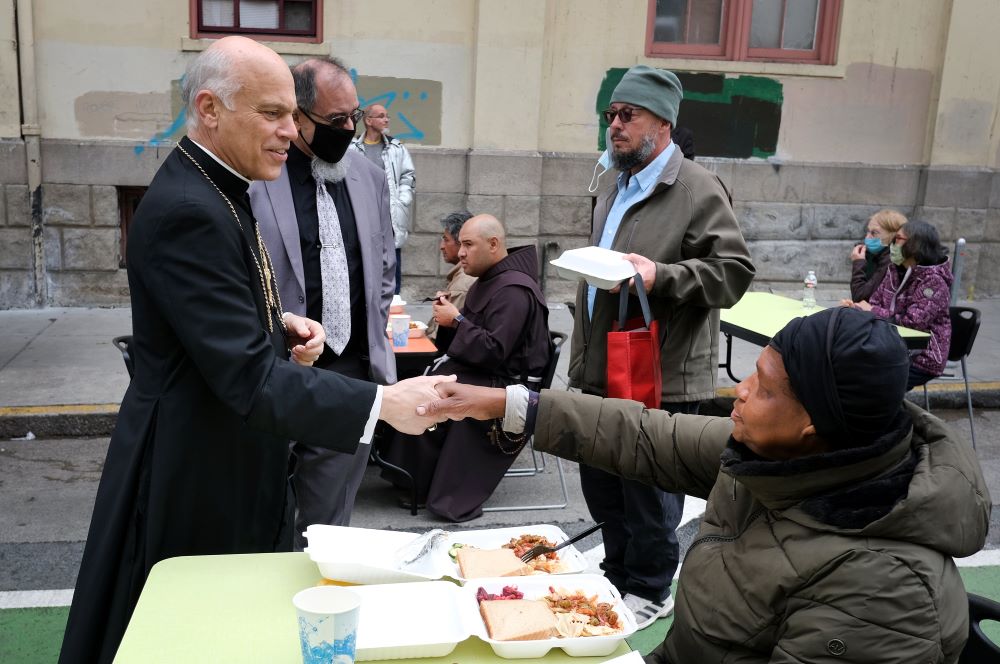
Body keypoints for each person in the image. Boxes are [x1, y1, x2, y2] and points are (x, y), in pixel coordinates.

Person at [58, 37, 449, 664]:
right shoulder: (192, 206)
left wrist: (279, 325)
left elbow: (219, 323)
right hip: (198, 469)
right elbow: (245, 379)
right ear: (210, 109)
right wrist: (383, 403)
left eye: (292, 115)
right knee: (195, 635)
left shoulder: (218, 183)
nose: (291, 132)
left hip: (224, 452)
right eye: (272, 114)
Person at [422, 306, 990, 663]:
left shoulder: (881, 585)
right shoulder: (779, 454)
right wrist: (508, 403)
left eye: (763, 388)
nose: (739, 391)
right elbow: (646, 435)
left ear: (814, 422)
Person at [573, 64, 755, 627]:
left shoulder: (698, 188)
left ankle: (651, 588)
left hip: (661, 371)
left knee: (648, 492)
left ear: (663, 122)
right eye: (610, 116)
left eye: (627, 116)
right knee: (602, 483)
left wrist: (663, 277)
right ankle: (617, 575)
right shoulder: (610, 179)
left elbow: (734, 272)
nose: (615, 126)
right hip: (600, 364)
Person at [249, 57, 397, 546]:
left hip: (350, 376)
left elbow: (383, 268)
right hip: (274, 376)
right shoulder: (255, 175)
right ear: (298, 116)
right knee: (261, 516)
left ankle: (316, 609)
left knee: (328, 528)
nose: (350, 130)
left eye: (353, 116)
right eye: (336, 121)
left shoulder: (368, 175)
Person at [383, 214, 550, 521]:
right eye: (459, 244)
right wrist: (452, 322)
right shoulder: (492, 281)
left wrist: (456, 320)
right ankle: (411, 479)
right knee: (421, 385)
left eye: (468, 245)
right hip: (487, 373)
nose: (460, 252)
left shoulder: (514, 290)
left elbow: (495, 351)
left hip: (506, 386)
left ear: (494, 244)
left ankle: (423, 485)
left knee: (434, 396)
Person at [843, 219, 953, 390]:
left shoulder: (934, 281)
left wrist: (871, 310)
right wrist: (857, 309)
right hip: (890, 344)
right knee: (846, 365)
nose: (892, 245)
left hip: (921, 357)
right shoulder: (894, 269)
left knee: (869, 384)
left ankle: (889, 414)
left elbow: (913, 323)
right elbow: (875, 301)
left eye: (897, 239)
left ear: (915, 244)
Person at [349, 102, 415, 294]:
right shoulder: (353, 148)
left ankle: (393, 305)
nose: (386, 120)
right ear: (368, 120)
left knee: (392, 262)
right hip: (362, 214)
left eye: (387, 116)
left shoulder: (396, 148)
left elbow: (408, 176)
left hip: (390, 215)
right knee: (361, 261)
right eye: (381, 116)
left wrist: (403, 200)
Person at [425, 210, 477, 350]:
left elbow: (437, 338)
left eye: (446, 240)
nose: (442, 246)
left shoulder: (463, 283)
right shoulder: (463, 277)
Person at [849, 208, 907, 302]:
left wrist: (858, 263)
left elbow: (860, 297)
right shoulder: (874, 254)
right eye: (868, 231)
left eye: (874, 233)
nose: (867, 237)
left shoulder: (891, 260)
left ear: (893, 236)